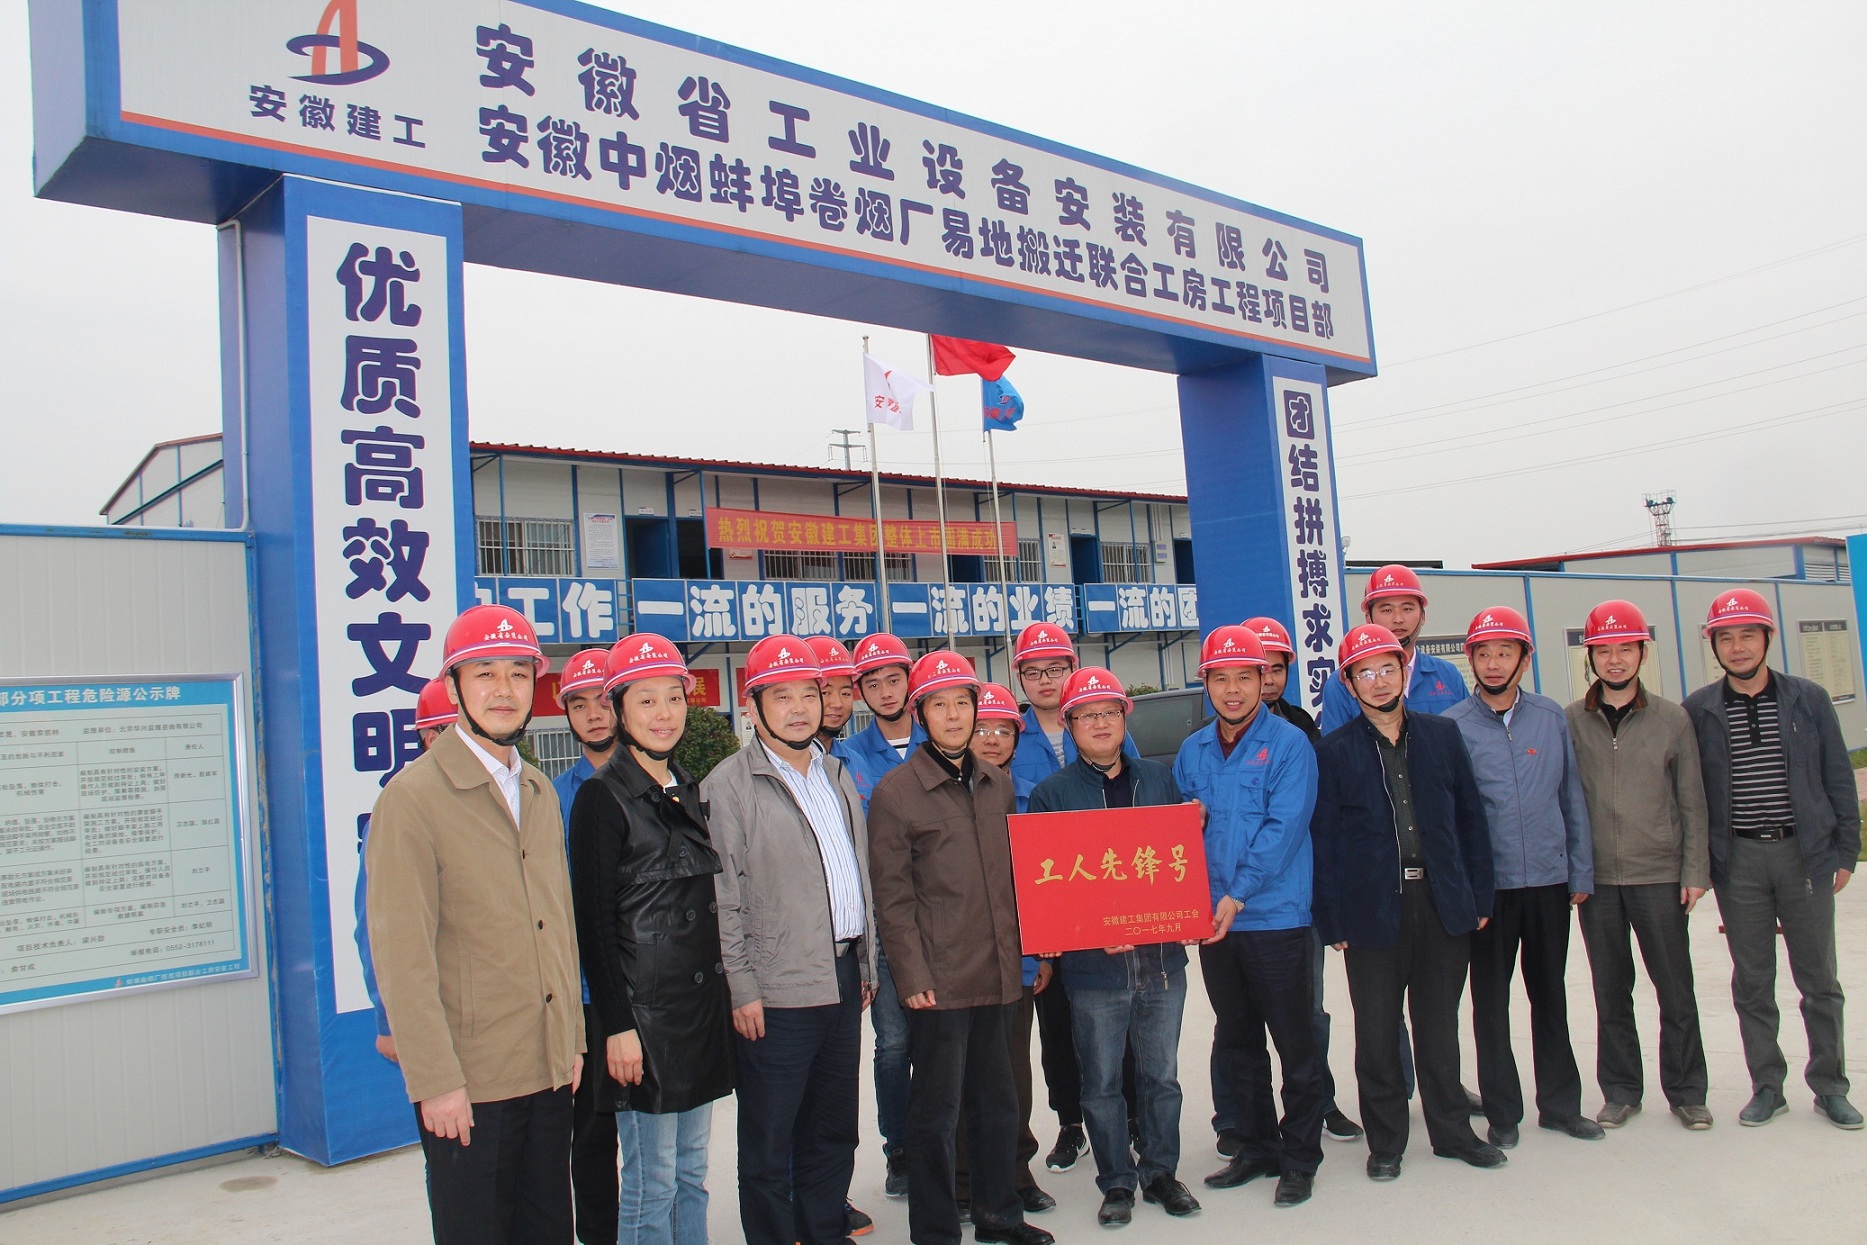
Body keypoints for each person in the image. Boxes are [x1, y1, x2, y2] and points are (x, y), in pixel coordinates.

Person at [366, 604, 584, 1245]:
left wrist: (571, 1040)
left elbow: (558, 926)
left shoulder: (538, 792)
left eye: (518, 673)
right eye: (484, 673)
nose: (504, 690)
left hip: (548, 1069)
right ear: (454, 686)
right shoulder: (412, 800)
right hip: (470, 1082)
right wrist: (435, 1081)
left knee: (549, 1230)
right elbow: (402, 957)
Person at [867, 651, 1054, 1245]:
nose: (953, 715)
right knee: (936, 1115)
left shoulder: (997, 784)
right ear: (920, 714)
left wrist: (1029, 952)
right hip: (940, 982)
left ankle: (999, 1216)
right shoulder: (897, 794)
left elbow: (1013, 883)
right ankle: (936, 1229)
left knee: (998, 1105)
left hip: (997, 972)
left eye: (962, 703)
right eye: (940, 704)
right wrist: (912, 975)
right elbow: (892, 898)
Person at [702, 635, 879, 1245]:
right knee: (770, 1140)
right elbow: (723, 897)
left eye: (810, 693)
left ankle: (824, 1230)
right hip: (775, 991)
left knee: (833, 1128)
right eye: (782, 696)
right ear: (752, 707)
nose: (800, 708)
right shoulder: (729, 786)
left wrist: (866, 963)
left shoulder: (836, 773)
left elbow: (855, 872)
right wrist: (741, 986)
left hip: (842, 977)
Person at [1311, 624, 1500, 1182]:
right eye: (1365, 672)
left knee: (1439, 1027)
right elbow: (1325, 842)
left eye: (1387, 669)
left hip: (1441, 902)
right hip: (1371, 911)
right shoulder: (1334, 752)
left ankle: (1452, 1133)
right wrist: (1332, 919)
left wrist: (1479, 895)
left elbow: (1471, 820)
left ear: (1404, 673)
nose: (1378, 681)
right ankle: (1387, 1142)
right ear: (1349, 684)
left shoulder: (1442, 736)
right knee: (1376, 1034)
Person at [568, 636, 735, 1245]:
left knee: (691, 1173)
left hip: (695, 1013)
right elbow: (593, 924)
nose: (664, 714)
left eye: (674, 697)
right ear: (618, 709)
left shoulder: (683, 786)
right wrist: (617, 1027)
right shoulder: (601, 797)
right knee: (652, 1180)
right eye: (646, 700)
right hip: (643, 1021)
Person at [1682, 589, 1862, 1130]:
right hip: (1739, 861)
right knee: (1753, 981)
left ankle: (1830, 1086)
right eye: (1726, 638)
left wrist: (1846, 850)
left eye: (1748, 635)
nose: (1737, 647)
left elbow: (1837, 776)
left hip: (1803, 855)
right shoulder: (1699, 710)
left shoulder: (1809, 699)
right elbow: (1691, 792)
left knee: (1819, 979)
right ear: (1714, 645)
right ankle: (1767, 1086)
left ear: (1767, 638)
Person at [1031, 666, 1201, 1227]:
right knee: (1101, 1082)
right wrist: (1086, 928)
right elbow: (1049, 887)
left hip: (1161, 960)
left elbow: (1178, 863)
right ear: (1069, 724)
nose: (1100, 723)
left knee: (1161, 1077)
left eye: (1109, 712)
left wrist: (1186, 908)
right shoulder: (1052, 795)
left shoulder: (1159, 780)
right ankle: (1117, 1183)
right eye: (1087, 715)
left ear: (1125, 717)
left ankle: (1161, 1174)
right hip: (1094, 969)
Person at [1174, 628, 1325, 1209]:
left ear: (1264, 680)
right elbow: (1180, 840)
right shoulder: (1192, 751)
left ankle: (1300, 1157)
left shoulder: (1289, 744)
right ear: (1206, 683)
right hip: (1216, 925)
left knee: (1295, 1043)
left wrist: (1236, 895)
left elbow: (1284, 830)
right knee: (1238, 1042)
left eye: (1245, 677)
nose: (1233, 690)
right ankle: (1258, 1147)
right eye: (1221, 678)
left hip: (1274, 917)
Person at [1445, 608, 1600, 1148]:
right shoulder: (1453, 726)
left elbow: (1570, 795)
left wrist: (1580, 868)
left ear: (1524, 659)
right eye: (1483, 653)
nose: (1493, 663)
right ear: (1470, 659)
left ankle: (1560, 1107)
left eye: (1504, 653)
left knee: (1550, 995)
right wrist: (1466, 890)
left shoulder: (1549, 716)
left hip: (1549, 883)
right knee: (1490, 1003)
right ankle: (1503, 1113)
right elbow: (1453, 816)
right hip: (1491, 890)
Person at [1565, 600, 1713, 1131]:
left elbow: (1692, 801)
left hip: (1659, 875)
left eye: (1625, 648)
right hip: (1599, 881)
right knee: (1611, 992)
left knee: (1675, 989)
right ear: (1590, 658)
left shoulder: (1672, 719)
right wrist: (1574, 872)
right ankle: (1622, 1090)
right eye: (1603, 650)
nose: (1615, 660)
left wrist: (1694, 871)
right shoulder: (1571, 721)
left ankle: (1687, 1092)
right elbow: (1565, 802)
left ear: (1642, 653)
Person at [1005, 622, 1136, 1174]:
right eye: (1033, 672)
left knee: (1118, 1018)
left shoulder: (1108, 728)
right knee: (1056, 1022)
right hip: (1051, 901)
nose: (1045, 681)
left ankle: (1129, 1120)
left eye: (1055, 669)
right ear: (1020, 678)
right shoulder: (1010, 736)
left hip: (1110, 895)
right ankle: (1071, 1123)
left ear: (1072, 667)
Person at [1239, 618, 1362, 1147]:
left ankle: (1320, 1103)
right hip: (1235, 904)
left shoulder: (1303, 729)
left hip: (1295, 896)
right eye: (1257, 669)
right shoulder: (1210, 737)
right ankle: (1239, 1123)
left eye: (1276, 668)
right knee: (1238, 1024)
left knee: (1307, 1011)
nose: (1267, 679)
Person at [959, 682, 1056, 1216]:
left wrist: (1042, 952)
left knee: (1013, 1074)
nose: (992, 739)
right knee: (959, 1078)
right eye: (982, 729)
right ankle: (962, 1182)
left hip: (1017, 962)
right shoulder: (942, 796)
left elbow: (1048, 887)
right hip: (960, 965)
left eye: (1004, 730)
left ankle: (1017, 1174)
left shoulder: (1033, 799)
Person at [840, 632, 922, 1199]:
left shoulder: (940, 740)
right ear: (860, 692)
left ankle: (945, 1144)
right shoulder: (846, 757)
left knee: (945, 1045)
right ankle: (900, 1151)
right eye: (873, 683)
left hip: (943, 920)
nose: (886, 691)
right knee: (893, 1045)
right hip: (886, 924)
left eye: (894, 678)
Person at [552, 648, 626, 1245]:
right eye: (579, 705)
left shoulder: (662, 782)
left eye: (603, 701)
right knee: (593, 1134)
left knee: (662, 1134)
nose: (594, 715)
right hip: (585, 991)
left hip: (654, 985)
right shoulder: (552, 797)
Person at [356, 675, 456, 1066]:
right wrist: (389, 1021)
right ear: (430, 738)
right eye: (457, 730)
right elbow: (376, 926)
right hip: (438, 1014)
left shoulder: (510, 796)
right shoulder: (404, 807)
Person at [1318, 565, 1467, 734]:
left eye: (1407, 609)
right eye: (1387, 610)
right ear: (1369, 617)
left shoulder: (1447, 675)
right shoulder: (1343, 682)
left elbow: (1466, 739)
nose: (1398, 619)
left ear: (1423, 616)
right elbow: (1335, 746)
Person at [811, 636, 860, 754]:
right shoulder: (777, 762)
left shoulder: (855, 760)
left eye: (845, 694)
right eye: (825, 693)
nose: (837, 704)